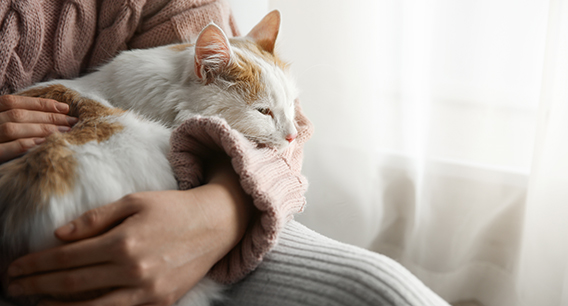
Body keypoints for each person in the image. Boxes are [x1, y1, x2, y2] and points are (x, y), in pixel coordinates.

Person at [0, 1, 450, 305]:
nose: (292, 131)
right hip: (61, 201)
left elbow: (287, 138)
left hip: (221, 206)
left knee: (383, 290)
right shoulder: (193, 80)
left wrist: (222, 211)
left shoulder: (205, 45)